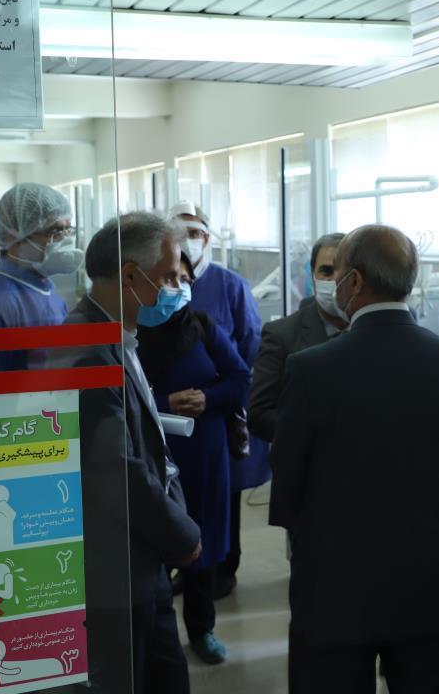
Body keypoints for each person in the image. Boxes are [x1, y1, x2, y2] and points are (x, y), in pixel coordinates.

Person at [269, 224, 439, 694]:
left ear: (356, 281)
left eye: (339, 272)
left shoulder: (312, 369)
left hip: (335, 586)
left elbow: (288, 479)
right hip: (430, 585)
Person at [54, 211, 202, 694]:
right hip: (116, 567)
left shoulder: (117, 335)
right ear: (131, 276)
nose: (176, 288)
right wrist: (181, 532)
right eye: (167, 277)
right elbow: (116, 469)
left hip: (142, 557)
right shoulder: (86, 350)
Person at [138, 251, 252, 665]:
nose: (178, 288)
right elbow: (117, 395)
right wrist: (163, 404)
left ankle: (202, 629)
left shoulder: (202, 327)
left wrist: (209, 398)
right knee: (153, 543)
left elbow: (240, 378)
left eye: (184, 279)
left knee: (201, 544)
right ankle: (154, 634)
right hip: (152, 456)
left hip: (204, 454)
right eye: (168, 279)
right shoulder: (128, 334)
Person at [166, 200, 263, 597]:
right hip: (172, 415)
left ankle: (223, 567)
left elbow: (250, 343)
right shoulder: (161, 284)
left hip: (219, 409)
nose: (190, 240)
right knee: (181, 497)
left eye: (196, 233)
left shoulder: (229, 285)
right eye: (181, 233)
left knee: (224, 495)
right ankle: (187, 566)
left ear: (208, 238)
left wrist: (219, 391)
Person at [0, 184, 81, 374]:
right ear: (15, 235)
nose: (66, 240)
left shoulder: (46, 289)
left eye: (68, 230)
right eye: (54, 231)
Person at [247, 232, 347, 443]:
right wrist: (319, 433)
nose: (335, 279)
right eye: (326, 271)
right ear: (313, 276)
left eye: (343, 271)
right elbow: (259, 415)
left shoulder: (371, 331)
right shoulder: (281, 334)